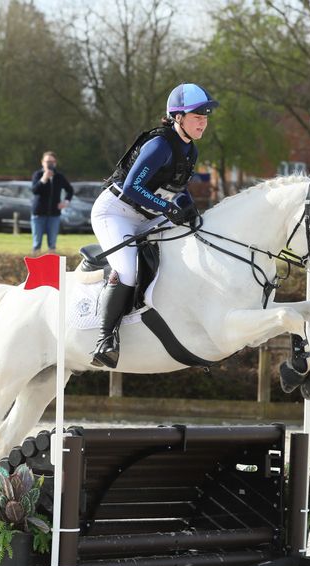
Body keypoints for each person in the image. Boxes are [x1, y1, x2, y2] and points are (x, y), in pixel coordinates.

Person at [89, 83, 218, 369]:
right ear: (178, 117)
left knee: (189, 244)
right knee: (128, 270)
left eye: (205, 118)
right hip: (116, 212)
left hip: (148, 215)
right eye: (197, 117)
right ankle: (105, 340)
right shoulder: (159, 145)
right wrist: (167, 208)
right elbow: (133, 187)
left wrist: (190, 210)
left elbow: (177, 187)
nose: (203, 123)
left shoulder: (190, 150)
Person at [30, 151, 74, 255]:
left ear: (55, 163)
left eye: (52, 162)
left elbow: (70, 190)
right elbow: (34, 191)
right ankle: (35, 263)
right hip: (38, 214)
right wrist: (43, 179)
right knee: (36, 244)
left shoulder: (59, 177)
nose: (50, 164)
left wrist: (66, 201)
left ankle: (51, 264)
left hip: (54, 215)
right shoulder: (37, 175)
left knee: (52, 244)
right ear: (42, 162)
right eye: (48, 162)